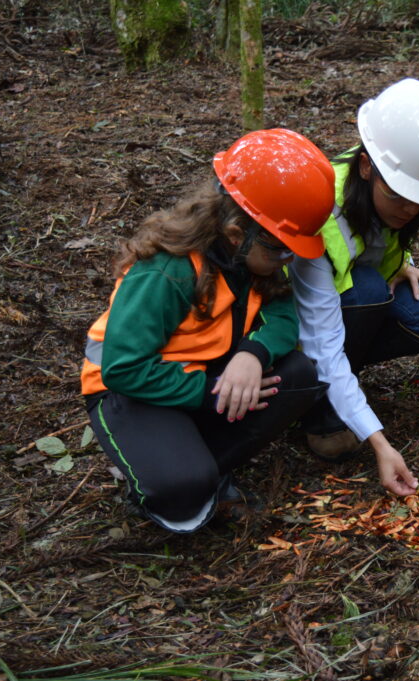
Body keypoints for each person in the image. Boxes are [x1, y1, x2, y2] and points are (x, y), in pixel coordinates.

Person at [81, 129, 336, 533]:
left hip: (207, 378)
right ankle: (164, 471)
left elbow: (285, 315)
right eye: (281, 249)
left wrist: (253, 354)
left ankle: (198, 460)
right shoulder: (167, 271)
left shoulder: (254, 261)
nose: (287, 259)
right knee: (183, 491)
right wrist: (208, 390)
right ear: (237, 234)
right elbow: (123, 369)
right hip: (132, 393)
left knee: (301, 376)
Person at [291, 78, 419, 485]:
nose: (410, 210)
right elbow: (320, 334)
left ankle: (347, 383)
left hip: (344, 308)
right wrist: (380, 443)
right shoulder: (319, 212)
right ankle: (319, 408)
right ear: (367, 166)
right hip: (298, 328)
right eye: (399, 196)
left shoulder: (387, 176)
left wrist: (402, 261)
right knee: (368, 291)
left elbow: (374, 240)